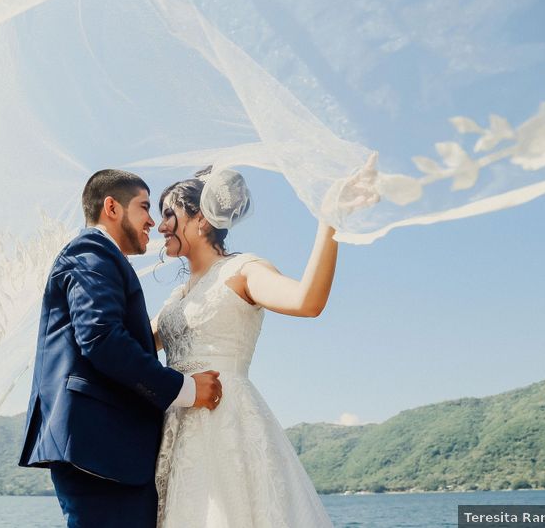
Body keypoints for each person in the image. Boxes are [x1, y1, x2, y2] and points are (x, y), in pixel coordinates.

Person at [152, 163, 377, 527]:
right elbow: (127, 344)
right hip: (174, 427)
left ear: (202, 220)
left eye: (168, 214)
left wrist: (329, 221)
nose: (160, 227)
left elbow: (308, 301)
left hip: (225, 423)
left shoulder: (243, 271)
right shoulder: (175, 299)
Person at [19, 169, 224, 528]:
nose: (152, 221)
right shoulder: (91, 250)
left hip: (110, 451)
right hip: (100, 450)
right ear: (111, 207)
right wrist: (187, 389)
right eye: (144, 207)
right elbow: (101, 338)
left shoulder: (104, 260)